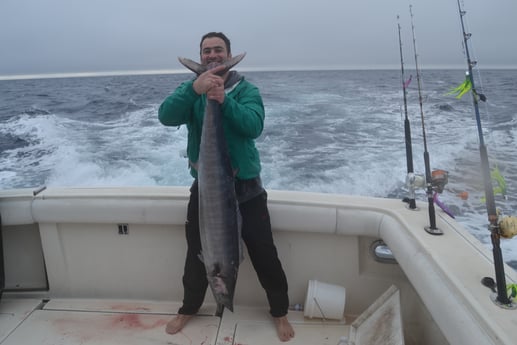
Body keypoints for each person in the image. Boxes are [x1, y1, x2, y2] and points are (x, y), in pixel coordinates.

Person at [158, 32, 295, 342]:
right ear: (201, 56)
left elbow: (254, 126)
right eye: (207, 51)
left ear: (228, 53)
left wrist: (223, 100)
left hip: (247, 190)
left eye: (218, 50)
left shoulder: (246, 90)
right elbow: (166, 116)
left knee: (264, 253)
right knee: (196, 253)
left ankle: (280, 311)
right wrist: (196, 88)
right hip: (207, 192)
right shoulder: (191, 91)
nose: (212, 55)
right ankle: (188, 308)